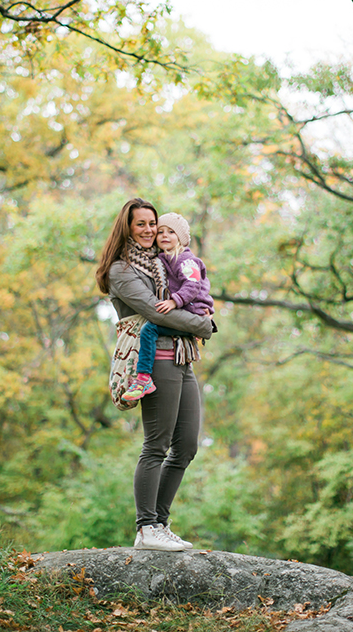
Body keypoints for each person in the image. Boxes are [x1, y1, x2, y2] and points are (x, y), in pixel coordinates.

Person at [95, 198, 214, 552]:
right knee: (156, 445)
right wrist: (203, 325)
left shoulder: (164, 263)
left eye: (153, 224)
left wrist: (197, 318)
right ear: (127, 228)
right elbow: (153, 312)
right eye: (141, 224)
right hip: (154, 360)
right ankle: (146, 526)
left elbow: (188, 291)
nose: (149, 230)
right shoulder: (121, 270)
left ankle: (159, 523)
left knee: (187, 446)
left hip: (182, 358)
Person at [122, 212, 213, 402]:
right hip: (185, 308)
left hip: (192, 308)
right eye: (161, 231)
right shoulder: (165, 258)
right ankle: (144, 377)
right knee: (152, 329)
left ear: (181, 238)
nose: (164, 235)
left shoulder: (186, 260)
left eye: (171, 232)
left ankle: (144, 377)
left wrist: (174, 301)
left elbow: (193, 284)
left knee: (149, 329)